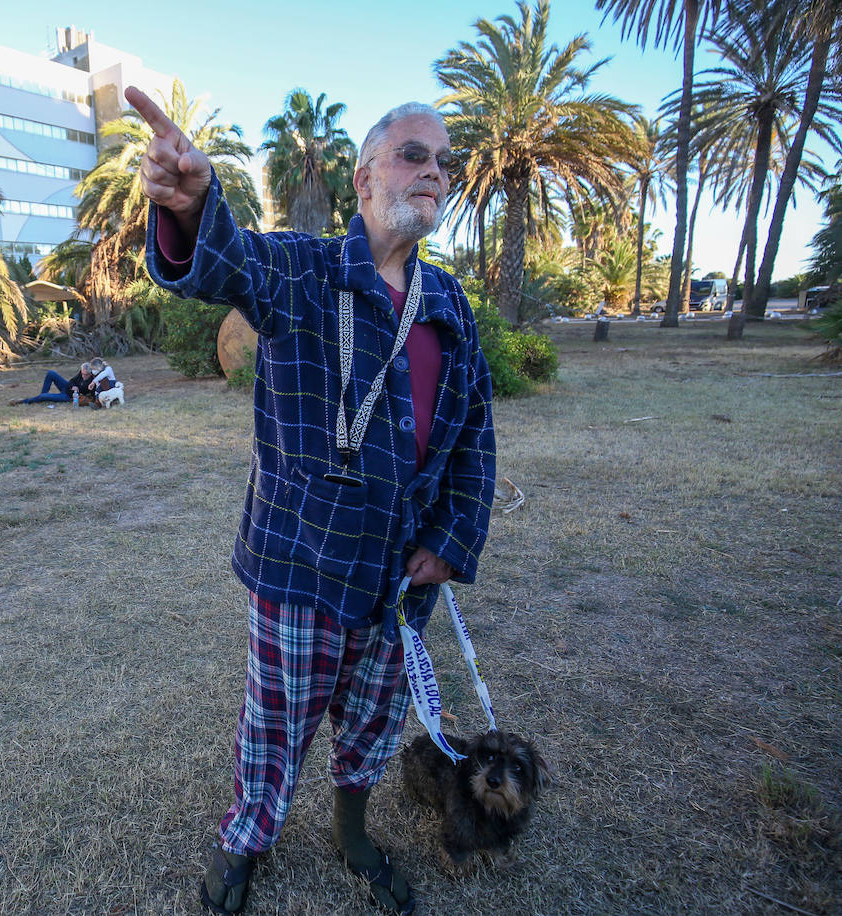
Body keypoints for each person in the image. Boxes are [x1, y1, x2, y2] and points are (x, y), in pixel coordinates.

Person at [128, 84, 496, 915]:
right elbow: (227, 262)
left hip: (404, 575)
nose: (434, 172)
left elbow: (474, 431)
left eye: (445, 162)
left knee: (373, 717)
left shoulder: (449, 306)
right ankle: (246, 839)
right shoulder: (303, 269)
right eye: (414, 155)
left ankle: (352, 831)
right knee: (277, 722)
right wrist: (192, 207)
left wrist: (454, 539)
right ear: (364, 180)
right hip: (301, 562)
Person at [9, 362, 93, 405]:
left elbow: (91, 394)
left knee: (43, 396)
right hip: (67, 387)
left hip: (68, 396)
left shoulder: (92, 381)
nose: (83, 376)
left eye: (85, 375)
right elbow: (72, 381)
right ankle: (41, 397)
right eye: (82, 373)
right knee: (51, 373)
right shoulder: (82, 372)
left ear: (90, 373)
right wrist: (73, 386)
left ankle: (23, 401)